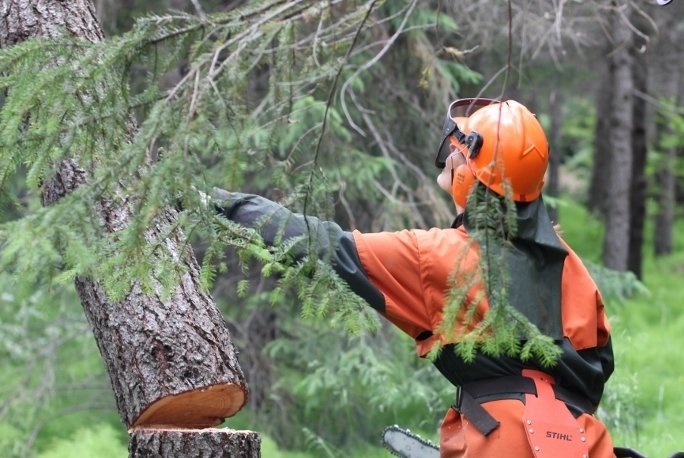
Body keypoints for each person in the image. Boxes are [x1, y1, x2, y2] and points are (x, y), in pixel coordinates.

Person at [214, 98, 616, 457]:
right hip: (583, 443)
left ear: (470, 175)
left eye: (457, 155)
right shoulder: (572, 268)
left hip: (501, 442)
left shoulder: (442, 258)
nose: (451, 159)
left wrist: (217, 204)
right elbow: (597, 369)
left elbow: (325, 245)